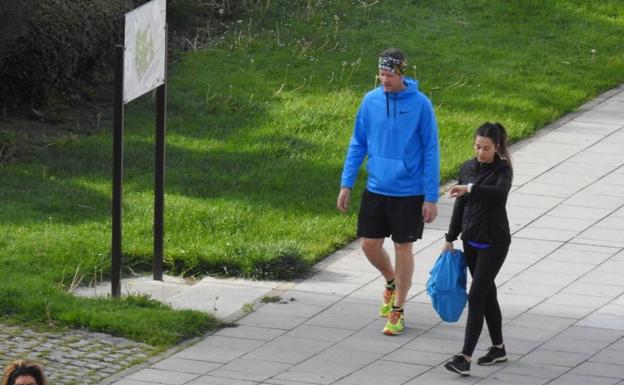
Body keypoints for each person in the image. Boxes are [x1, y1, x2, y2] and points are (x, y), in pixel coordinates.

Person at [337, 47, 440, 336]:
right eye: (381, 74)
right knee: (369, 244)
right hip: (376, 187)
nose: (384, 79)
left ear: (402, 73)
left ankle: (398, 310)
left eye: (390, 74)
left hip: (408, 191)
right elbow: (358, 144)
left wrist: (430, 196)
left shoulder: (421, 105)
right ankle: (391, 280)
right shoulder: (369, 102)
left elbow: (431, 150)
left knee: (402, 247)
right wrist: (347, 184)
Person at [442, 122, 513, 376]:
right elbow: (460, 206)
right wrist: (450, 237)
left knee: (477, 296)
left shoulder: (503, 170)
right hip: (471, 240)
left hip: (495, 242)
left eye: (486, 148)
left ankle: (465, 357)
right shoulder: (468, 167)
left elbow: (498, 194)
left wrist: (470, 188)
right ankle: (498, 348)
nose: (481, 152)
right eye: (477, 147)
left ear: (497, 147)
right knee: (487, 294)